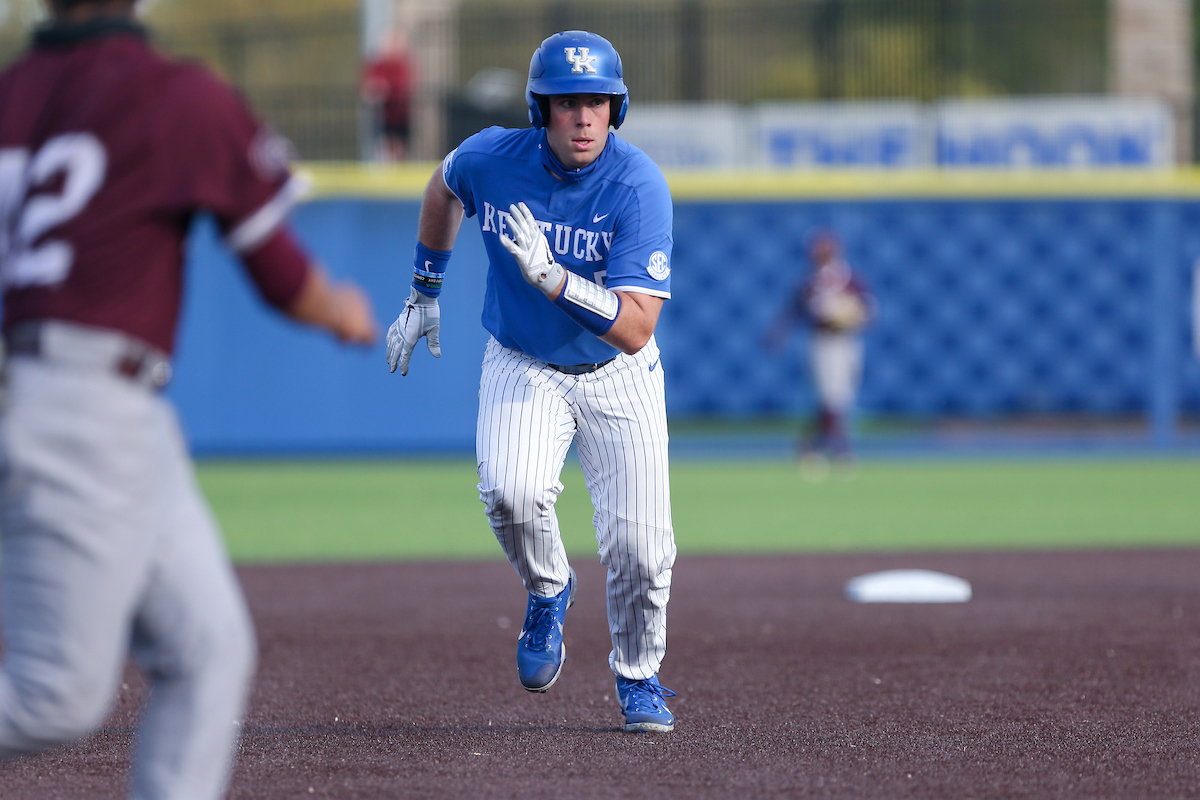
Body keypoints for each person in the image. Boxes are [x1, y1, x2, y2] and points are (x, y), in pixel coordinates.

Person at [0, 2, 376, 798]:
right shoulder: (175, 94)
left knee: (207, 650)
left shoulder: (14, 92)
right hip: (82, 408)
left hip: (92, 405)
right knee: (53, 695)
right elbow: (280, 276)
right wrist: (339, 308)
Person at [386, 30, 677, 733]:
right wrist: (425, 289)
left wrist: (554, 280)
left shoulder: (637, 184)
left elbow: (636, 328)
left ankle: (639, 676)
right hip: (523, 361)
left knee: (641, 551)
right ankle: (550, 586)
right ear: (539, 110)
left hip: (620, 374)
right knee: (510, 494)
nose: (583, 118)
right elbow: (443, 186)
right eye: (566, 103)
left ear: (617, 109)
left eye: (598, 103)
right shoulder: (493, 157)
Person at [765, 231, 873, 465]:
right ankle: (840, 448)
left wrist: (850, 314)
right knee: (831, 396)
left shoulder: (850, 278)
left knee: (842, 397)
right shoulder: (811, 282)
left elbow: (869, 311)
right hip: (823, 341)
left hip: (848, 340)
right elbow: (793, 312)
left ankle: (810, 444)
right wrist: (778, 336)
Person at [361, 28, 415, 162]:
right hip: (382, 114)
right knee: (384, 143)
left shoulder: (402, 64)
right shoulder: (377, 64)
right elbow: (368, 87)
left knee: (399, 144)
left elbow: (403, 86)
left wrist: (386, 88)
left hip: (399, 112)